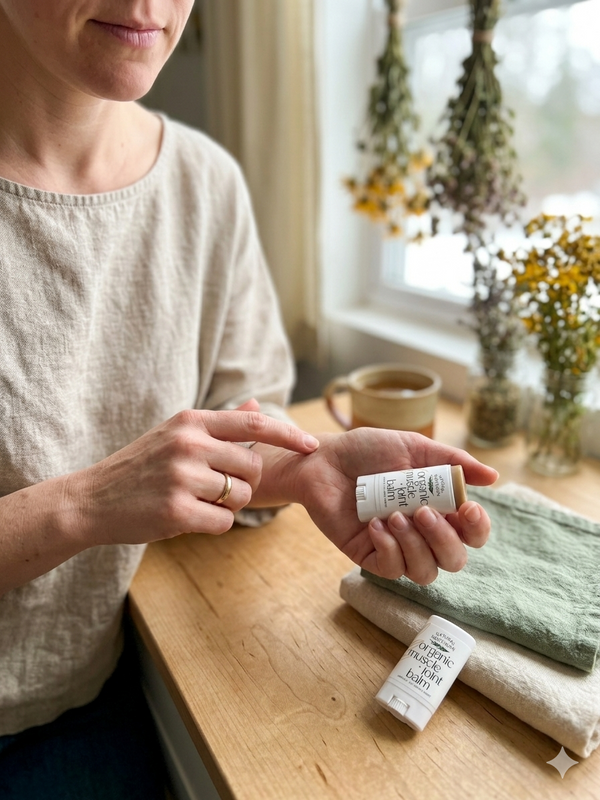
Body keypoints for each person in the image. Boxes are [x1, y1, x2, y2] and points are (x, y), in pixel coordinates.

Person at [0, 1, 498, 797]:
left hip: (96, 691)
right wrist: (88, 504)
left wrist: (304, 471)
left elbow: (220, 448)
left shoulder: (204, 185)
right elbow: (119, 493)